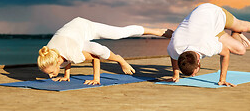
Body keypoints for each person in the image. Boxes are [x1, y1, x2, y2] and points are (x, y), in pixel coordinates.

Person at [167, 3, 250, 87]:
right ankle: (235, 33)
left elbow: (225, 53)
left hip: (213, 13)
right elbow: (173, 55)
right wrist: (176, 75)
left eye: (193, 73)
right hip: (206, 26)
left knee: (240, 26)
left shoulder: (207, 46)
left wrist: (222, 79)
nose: (193, 76)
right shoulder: (176, 46)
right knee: (241, 50)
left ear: (198, 62)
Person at [37, 17, 170, 85]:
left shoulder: (70, 52)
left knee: (119, 34)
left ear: (56, 61)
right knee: (78, 51)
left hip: (86, 27)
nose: (50, 75)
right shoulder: (50, 52)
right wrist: (66, 76)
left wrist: (96, 79)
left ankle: (158, 32)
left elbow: (95, 57)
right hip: (74, 34)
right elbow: (65, 59)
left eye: (51, 72)